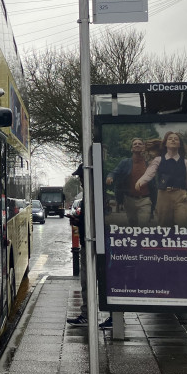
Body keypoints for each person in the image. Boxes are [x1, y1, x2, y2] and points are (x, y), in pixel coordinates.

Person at [66, 163, 112, 328]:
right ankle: (89, 314)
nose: (80, 180)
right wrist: (78, 220)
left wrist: (79, 221)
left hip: (95, 242)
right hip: (90, 241)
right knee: (90, 280)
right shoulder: (91, 193)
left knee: (98, 279)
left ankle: (108, 316)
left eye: (81, 176)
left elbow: (99, 218)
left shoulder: (96, 193)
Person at [135, 131, 187, 227]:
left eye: (176, 139)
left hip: (181, 196)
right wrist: (141, 181)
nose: (173, 140)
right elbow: (149, 173)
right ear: (165, 144)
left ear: (179, 144)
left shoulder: (186, 162)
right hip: (163, 196)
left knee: (183, 224)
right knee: (164, 226)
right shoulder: (158, 160)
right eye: (170, 139)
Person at [106, 137, 157, 226]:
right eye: (135, 144)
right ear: (131, 149)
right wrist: (110, 177)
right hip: (129, 200)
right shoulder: (125, 163)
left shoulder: (149, 163)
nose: (137, 145)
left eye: (140, 144)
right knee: (132, 226)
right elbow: (114, 172)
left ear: (144, 148)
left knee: (143, 226)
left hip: (145, 200)